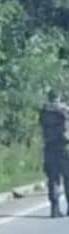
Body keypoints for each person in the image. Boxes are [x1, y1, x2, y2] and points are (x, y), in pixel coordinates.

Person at [38, 89, 69, 218]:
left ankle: (54, 209)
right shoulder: (65, 110)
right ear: (59, 97)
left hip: (49, 148)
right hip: (65, 147)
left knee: (53, 179)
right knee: (68, 178)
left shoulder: (44, 112)